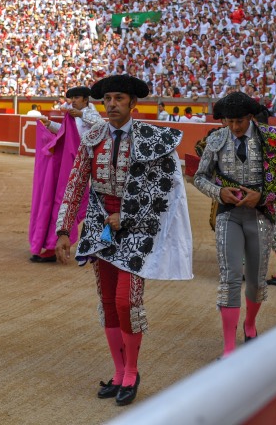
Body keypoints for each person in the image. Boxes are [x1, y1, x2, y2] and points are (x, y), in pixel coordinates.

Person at [54, 74, 192, 407]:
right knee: (107, 303)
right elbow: (75, 185)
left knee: (126, 302)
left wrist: (128, 216)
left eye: (118, 98)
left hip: (138, 230)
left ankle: (131, 371)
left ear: (133, 102)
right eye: (107, 99)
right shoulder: (94, 137)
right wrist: (63, 230)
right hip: (101, 229)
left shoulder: (152, 138)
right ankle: (118, 372)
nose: (112, 105)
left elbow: (164, 189)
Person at [193, 92, 276, 357]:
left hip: (260, 215)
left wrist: (262, 196)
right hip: (228, 213)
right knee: (230, 277)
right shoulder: (216, 139)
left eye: (239, 121)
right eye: (230, 121)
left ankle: (249, 326)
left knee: (256, 278)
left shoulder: (271, 140)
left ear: (251, 116)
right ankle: (229, 348)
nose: (235, 127)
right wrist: (219, 193)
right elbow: (200, 177)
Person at [29, 86, 101, 263]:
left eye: (77, 97)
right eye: (71, 98)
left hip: (85, 166)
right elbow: (66, 133)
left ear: (86, 100)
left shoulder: (90, 113)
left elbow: (102, 125)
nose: (73, 101)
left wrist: (81, 114)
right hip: (71, 164)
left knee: (70, 203)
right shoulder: (74, 115)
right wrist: (51, 125)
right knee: (62, 202)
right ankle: (53, 245)